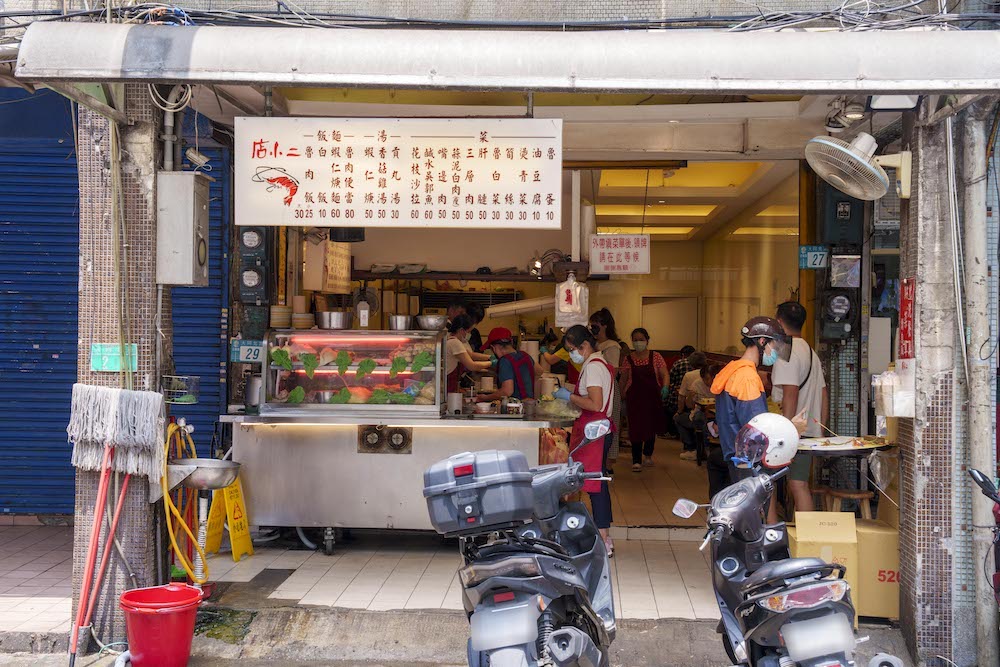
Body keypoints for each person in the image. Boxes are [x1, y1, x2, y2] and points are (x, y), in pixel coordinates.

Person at [552, 325, 616, 556]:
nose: (571, 354)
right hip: (595, 429)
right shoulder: (595, 363)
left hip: (595, 431)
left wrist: (569, 396)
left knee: (594, 485)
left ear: (585, 346)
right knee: (594, 483)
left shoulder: (594, 367)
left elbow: (596, 404)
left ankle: (603, 538)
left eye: (571, 350)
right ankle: (602, 536)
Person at [710, 317, 794, 487]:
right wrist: (792, 429)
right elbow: (757, 428)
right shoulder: (747, 377)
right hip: (749, 461)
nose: (776, 350)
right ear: (762, 341)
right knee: (754, 512)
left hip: (736, 459)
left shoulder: (732, 370)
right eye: (774, 344)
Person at [771, 301, 829, 522]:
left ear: (778, 321)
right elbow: (823, 393)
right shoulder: (810, 351)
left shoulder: (786, 350)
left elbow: (791, 393)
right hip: (809, 431)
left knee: (785, 485)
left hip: (793, 431)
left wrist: (786, 432)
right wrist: (820, 431)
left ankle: (783, 536)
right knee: (800, 485)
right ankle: (806, 539)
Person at [619, 328, 668, 472]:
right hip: (634, 398)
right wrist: (620, 394)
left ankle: (648, 454)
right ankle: (636, 460)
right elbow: (623, 379)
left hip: (652, 398)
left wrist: (665, 387)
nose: (638, 342)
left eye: (641, 339)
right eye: (635, 339)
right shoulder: (628, 359)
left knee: (650, 427)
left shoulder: (656, 356)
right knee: (635, 427)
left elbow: (664, 374)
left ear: (647, 340)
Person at [589, 309, 624, 468]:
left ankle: (609, 464)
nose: (592, 327)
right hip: (597, 387)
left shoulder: (612, 346)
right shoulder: (595, 343)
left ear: (604, 325)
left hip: (609, 389)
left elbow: (613, 370)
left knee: (611, 423)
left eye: (595, 324)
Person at [675, 360, 720, 462]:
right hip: (701, 411)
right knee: (692, 418)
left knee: (703, 421)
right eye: (706, 380)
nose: (709, 382)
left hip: (718, 413)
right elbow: (690, 405)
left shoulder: (720, 383)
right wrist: (690, 396)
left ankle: (704, 449)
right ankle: (694, 449)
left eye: (711, 379)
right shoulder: (697, 384)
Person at [476, 327, 535, 402]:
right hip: (529, 406)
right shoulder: (526, 356)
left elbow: (507, 391)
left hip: (514, 408)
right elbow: (539, 371)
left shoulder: (505, 361)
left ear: (494, 348)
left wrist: (485, 397)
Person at [673, 351, 709, 460]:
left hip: (699, 411)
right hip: (711, 411)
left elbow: (681, 397)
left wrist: (679, 411)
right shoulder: (712, 373)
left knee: (679, 419)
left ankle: (691, 447)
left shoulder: (689, 376)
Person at [445, 314, 491, 393]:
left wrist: (489, 357)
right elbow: (472, 366)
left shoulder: (453, 340)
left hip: (449, 385)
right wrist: (491, 363)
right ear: (462, 330)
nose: (469, 335)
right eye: (469, 331)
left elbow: (471, 355)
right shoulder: (455, 343)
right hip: (448, 385)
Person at [664, 345, 697, 436]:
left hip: (678, 397)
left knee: (668, 403)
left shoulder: (678, 363)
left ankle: (672, 431)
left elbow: (670, 378)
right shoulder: (699, 367)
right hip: (695, 399)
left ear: (683, 354)